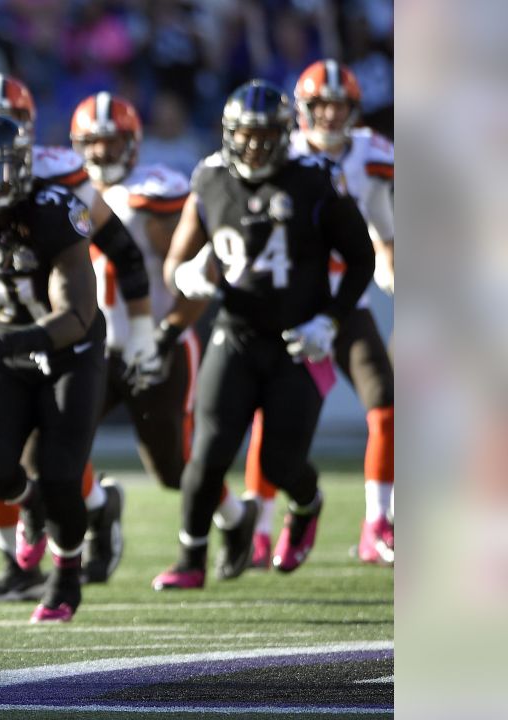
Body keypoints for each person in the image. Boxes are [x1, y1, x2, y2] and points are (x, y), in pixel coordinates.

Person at [0, 73, 135, 602]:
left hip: (62, 345)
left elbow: (81, 306)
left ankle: (67, 563)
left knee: (56, 467)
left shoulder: (57, 198)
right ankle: (20, 554)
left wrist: (138, 330)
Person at [154, 80, 375, 589]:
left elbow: (361, 257)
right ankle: (191, 559)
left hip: (300, 339)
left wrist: (331, 320)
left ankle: (307, 503)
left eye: (264, 135)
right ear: (229, 134)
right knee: (208, 454)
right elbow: (175, 265)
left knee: (281, 461)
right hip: (235, 332)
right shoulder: (210, 177)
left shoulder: (315, 178)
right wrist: (187, 277)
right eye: (244, 135)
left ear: (284, 134)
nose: (253, 145)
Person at [70, 92, 256, 582]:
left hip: (155, 343)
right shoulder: (63, 191)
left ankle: (236, 519)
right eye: (91, 143)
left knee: (173, 468)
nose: (102, 154)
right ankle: (98, 519)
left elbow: (199, 273)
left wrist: (167, 333)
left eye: (111, 143)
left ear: (132, 144)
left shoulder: (153, 194)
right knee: (60, 446)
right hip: (93, 346)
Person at [243, 59, 396, 567]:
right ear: (303, 111)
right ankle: (259, 527)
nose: (330, 116)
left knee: (389, 404)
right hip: (290, 305)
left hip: (343, 303)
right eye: (321, 105)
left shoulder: (374, 156)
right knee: (270, 422)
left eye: (339, 106)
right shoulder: (279, 154)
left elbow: (386, 230)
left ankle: (379, 521)